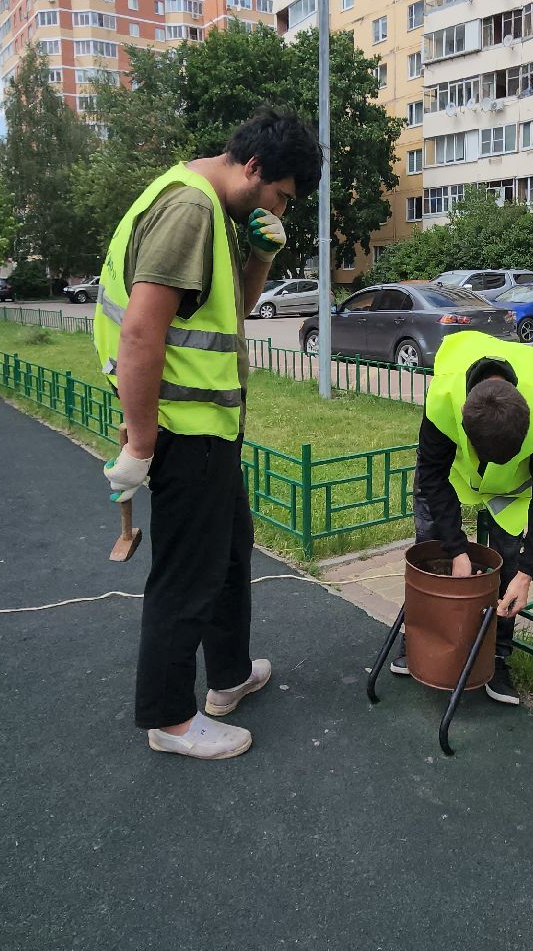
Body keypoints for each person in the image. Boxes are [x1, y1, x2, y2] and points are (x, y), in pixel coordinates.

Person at [94, 107, 321, 760]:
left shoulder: (217, 215)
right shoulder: (190, 211)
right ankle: (168, 719)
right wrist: (140, 443)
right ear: (253, 168)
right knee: (188, 574)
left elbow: (240, 311)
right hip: (183, 428)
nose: (282, 205)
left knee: (228, 555)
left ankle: (227, 677)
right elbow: (141, 330)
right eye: (281, 195)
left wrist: (263, 253)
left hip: (212, 429)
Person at [393, 329, 533, 706]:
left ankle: (497, 652)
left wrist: (528, 573)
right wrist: (457, 550)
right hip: (454, 475)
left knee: (506, 563)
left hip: (511, 489)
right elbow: (431, 475)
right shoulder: (444, 398)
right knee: (431, 549)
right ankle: (422, 637)